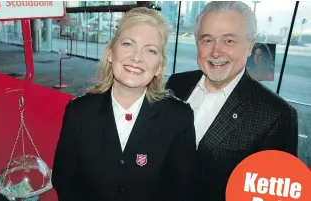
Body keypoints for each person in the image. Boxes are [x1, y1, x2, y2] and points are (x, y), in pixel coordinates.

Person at [52, 7, 198, 201]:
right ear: (111, 53)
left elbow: (181, 191)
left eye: (150, 50)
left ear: (159, 66)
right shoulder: (78, 112)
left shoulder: (178, 118)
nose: (137, 57)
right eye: (128, 44)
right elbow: (65, 181)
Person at [165, 1, 298, 201]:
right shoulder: (177, 83)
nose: (216, 52)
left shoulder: (277, 115)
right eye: (207, 40)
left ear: (250, 46)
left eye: (229, 41)